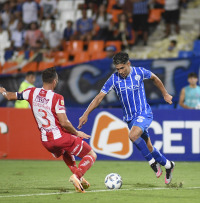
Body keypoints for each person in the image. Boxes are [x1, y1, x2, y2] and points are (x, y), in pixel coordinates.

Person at [78, 52, 176, 184]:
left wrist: (165, 94)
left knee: (133, 136)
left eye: (122, 68)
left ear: (128, 64)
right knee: (149, 147)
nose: (120, 71)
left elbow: (155, 79)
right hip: (130, 118)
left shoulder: (139, 72)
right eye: (117, 69)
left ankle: (152, 163)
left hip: (144, 113)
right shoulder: (113, 79)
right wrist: (86, 113)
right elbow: (99, 97)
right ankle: (169, 165)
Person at [0, 67, 97, 193]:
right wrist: (77, 133)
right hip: (59, 138)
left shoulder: (31, 92)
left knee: (66, 152)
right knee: (91, 154)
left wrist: (3, 91)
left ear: (43, 80)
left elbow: (9, 96)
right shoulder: (57, 97)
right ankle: (77, 176)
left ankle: (79, 177)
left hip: (46, 142)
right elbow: (64, 122)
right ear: (55, 81)